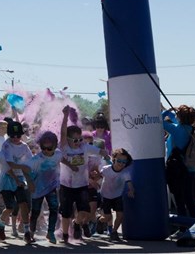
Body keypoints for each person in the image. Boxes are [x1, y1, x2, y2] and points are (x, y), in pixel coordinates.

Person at [59, 105, 104, 243]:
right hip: (66, 186)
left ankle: (77, 223)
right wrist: (66, 116)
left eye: (80, 139)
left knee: (84, 211)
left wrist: (105, 153)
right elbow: (63, 133)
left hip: (82, 185)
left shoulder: (84, 147)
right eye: (75, 140)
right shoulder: (64, 147)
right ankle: (65, 235)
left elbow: (98, 151)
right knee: (66, 213)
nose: (78, 142)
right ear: (69, 140)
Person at [162, 105, 195, 237]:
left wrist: (168, 111)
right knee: (189, 198)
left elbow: (160, 120)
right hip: (190, 169)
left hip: (177, 168)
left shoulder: (176, 129)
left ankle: (183, 229)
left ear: (180, 117)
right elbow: (176, 120)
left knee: (179, 199)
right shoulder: (189, 128)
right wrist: (174, 113)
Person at [0, 119, 34, 244]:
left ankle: (27, 232)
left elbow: (31, 162)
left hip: (20, 179)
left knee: (23, 204)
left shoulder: (24, 146)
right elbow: (9, 164)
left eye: (18, 135)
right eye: (13, 135)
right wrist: (20, 173)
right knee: (10, 207)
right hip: (7, 178)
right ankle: (1, 224)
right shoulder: (6, 145)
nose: (16, 138)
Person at [26, 131, 62, 244]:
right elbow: (25, 170)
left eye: (49, 148)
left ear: (55, 146)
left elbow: (62, 159)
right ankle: (31, 234)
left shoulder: (58, 154)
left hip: (51, 187)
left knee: (54, 208)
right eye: (43, 148)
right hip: (37, 189)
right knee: (35, 212)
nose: (46, 151)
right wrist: (30, 183)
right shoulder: (36, 159)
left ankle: (50, 232)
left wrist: (70, 165)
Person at [95, 148, 134, 241]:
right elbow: (98, 177)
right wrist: (93, 181)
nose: (121, 164)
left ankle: (114, 232)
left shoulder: (125, 172)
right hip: (105, 196)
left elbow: (129, 183)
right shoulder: (106, 169)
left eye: (124, 162)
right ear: (114, 159)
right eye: (119, 161)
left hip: (117, 196)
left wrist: (131, 190)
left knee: (120, 216)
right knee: (108, 217)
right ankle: (100, 220)